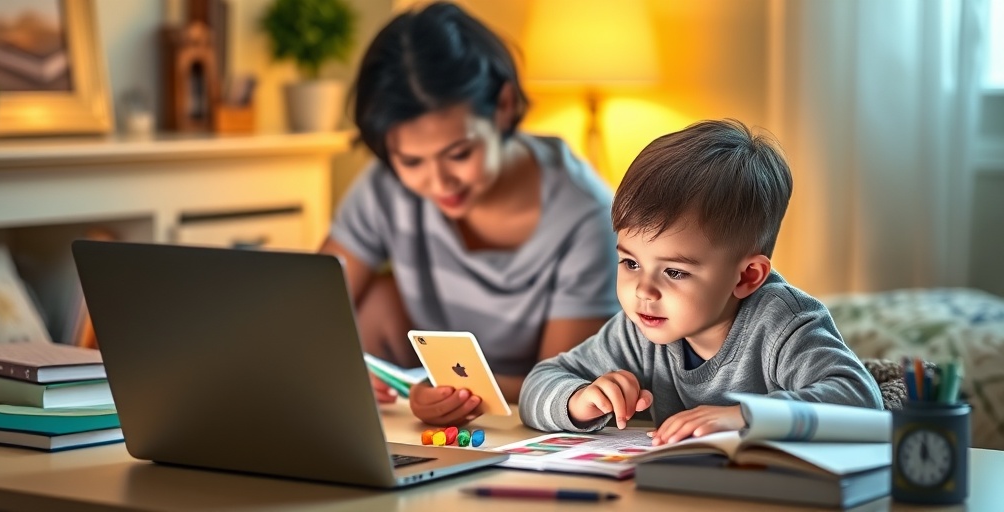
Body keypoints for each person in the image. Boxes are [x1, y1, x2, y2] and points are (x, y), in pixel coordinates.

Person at [321, 2, 619, 426]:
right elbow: (311, 308)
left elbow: (564, 382)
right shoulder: (386, 184)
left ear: (503, 105)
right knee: (372, 299)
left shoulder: (586, 215)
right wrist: (342, 368)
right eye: (411, 162)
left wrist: (432, 387)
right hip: (411, 408)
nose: (439, 183)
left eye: (459, 153)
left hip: (523, 414)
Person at [518, 119, 882, 444]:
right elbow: (539, 381)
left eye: (674, 272)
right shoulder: (637, 331)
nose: (643, 290)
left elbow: (861, 401)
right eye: (630, 262)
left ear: (747, 277)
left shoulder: (781, 322)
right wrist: (577, 399)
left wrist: (743, 416)